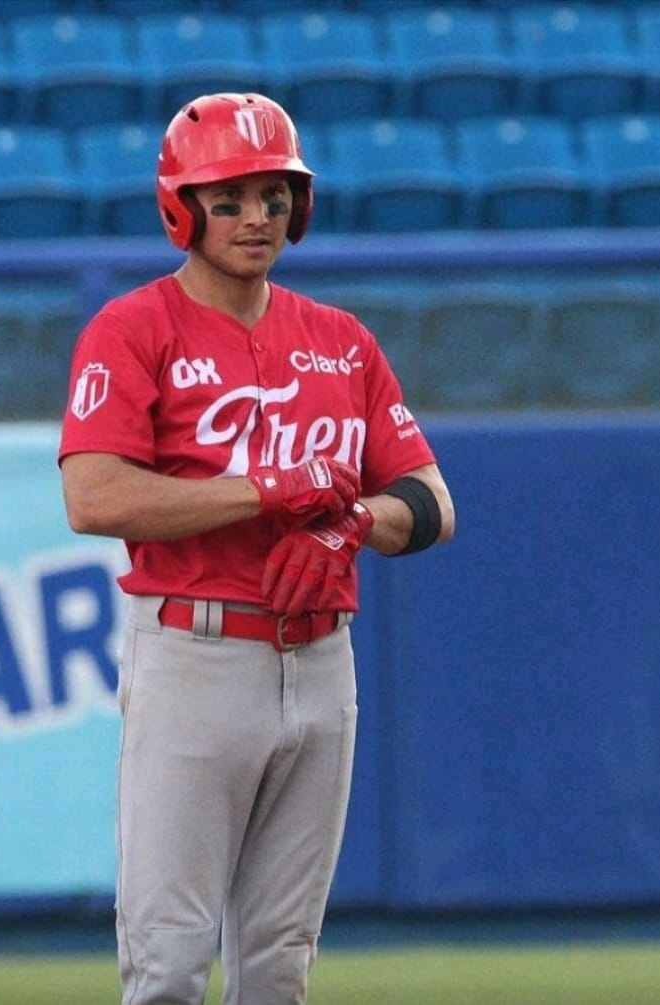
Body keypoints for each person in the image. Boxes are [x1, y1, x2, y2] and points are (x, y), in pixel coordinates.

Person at [58, 92, 455, 1005]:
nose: (256, 217)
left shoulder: (341, 341)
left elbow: (430, 498)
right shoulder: (132, 328)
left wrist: (359, 521)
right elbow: (92, 496)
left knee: (280, 965)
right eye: (229, 197)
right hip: (195, 654)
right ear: (182, 207)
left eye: (274, 195)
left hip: (320, 661)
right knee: (167, 962)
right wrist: (262, 490)